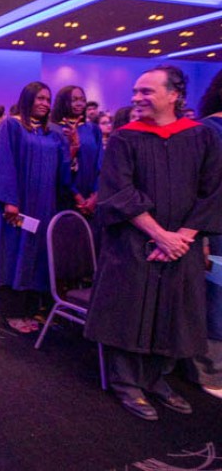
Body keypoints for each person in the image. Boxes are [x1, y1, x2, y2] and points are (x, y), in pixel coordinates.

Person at [85, 65, 222, 421]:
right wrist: (160, 235)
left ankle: (158, 379)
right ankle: (127, 383)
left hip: (182, 245)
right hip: (133, 244)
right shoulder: (125, 137)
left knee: (174, 312)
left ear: (174, 95)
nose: (136, 98)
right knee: (130, 310)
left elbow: (213, 191)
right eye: (135, 91)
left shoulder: (200, 136)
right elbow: (118, 191)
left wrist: (184, 237)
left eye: (146, 91)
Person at [0, 82, 70, 333]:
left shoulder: (53, 132)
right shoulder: (11, 126)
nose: (45, 103)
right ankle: (12, 312)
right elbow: (3, 164)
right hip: (17, 209)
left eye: (48, 99)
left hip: (44, 207)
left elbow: (62, 169)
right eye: (40, 98)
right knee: (14, 255)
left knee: (37, 257)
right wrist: (9, 200)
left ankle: (31, 308)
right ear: (27, 100)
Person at [186, 68, 222, 400]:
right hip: (211, 230)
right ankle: (209, 371)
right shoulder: (206, 131)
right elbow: (198, 191)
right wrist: (202, 236)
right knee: (213, 301)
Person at [50, 85, 103, 216]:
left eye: (82, 99)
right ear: (63, 102)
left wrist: (95, 195)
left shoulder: (93, 129)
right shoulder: (53, 130)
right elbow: (57, 168)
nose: (79, 103)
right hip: (64, 196)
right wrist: (76, 195)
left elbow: (100, 163)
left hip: (92, 197)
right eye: (74, 100)